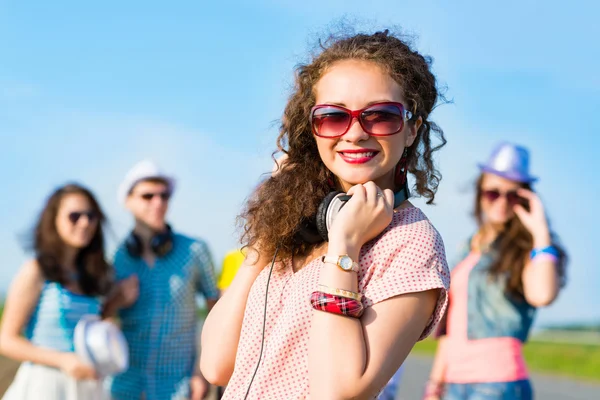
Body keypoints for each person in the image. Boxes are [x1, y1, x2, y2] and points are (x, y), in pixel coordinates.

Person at [200, 29, 451, 399]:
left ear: (412, 129)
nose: (354, 133)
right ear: (312, 129)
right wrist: (269, 230)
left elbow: (338, 392)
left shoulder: (411, 243)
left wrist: (345, 247)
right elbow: (216, 364)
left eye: (379, 116)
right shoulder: (300, 224)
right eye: (333, 117)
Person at [424, 143, 568, 400]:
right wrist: (435, 385)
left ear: (525, 199)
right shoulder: (467, 249)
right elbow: (451, 324)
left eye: (512, 195)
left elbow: (543, 295)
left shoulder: (527, 249)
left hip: (498, 385)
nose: (502, 202)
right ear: (480, 194)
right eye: (493, 193)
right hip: (454, 384)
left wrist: (541, 232)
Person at [104, 160, 220, 400]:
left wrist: (201, 372)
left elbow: (216, 312)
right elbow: (98, 320)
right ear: (128, 201)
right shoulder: (115, 259)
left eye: (164, 196)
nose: (158, 203)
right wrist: (116, 300)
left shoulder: (195, 250)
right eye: (148, 196)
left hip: (179, 387)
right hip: (123, 386)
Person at [0, 184, 113, 400]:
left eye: (91, 216)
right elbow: (6, 339)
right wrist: (63, 360)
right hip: (45, 385)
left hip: (88, 386)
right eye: (74, 216)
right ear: (54, 220)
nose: (85, 223)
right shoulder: (36, 270)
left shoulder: (95, 276)